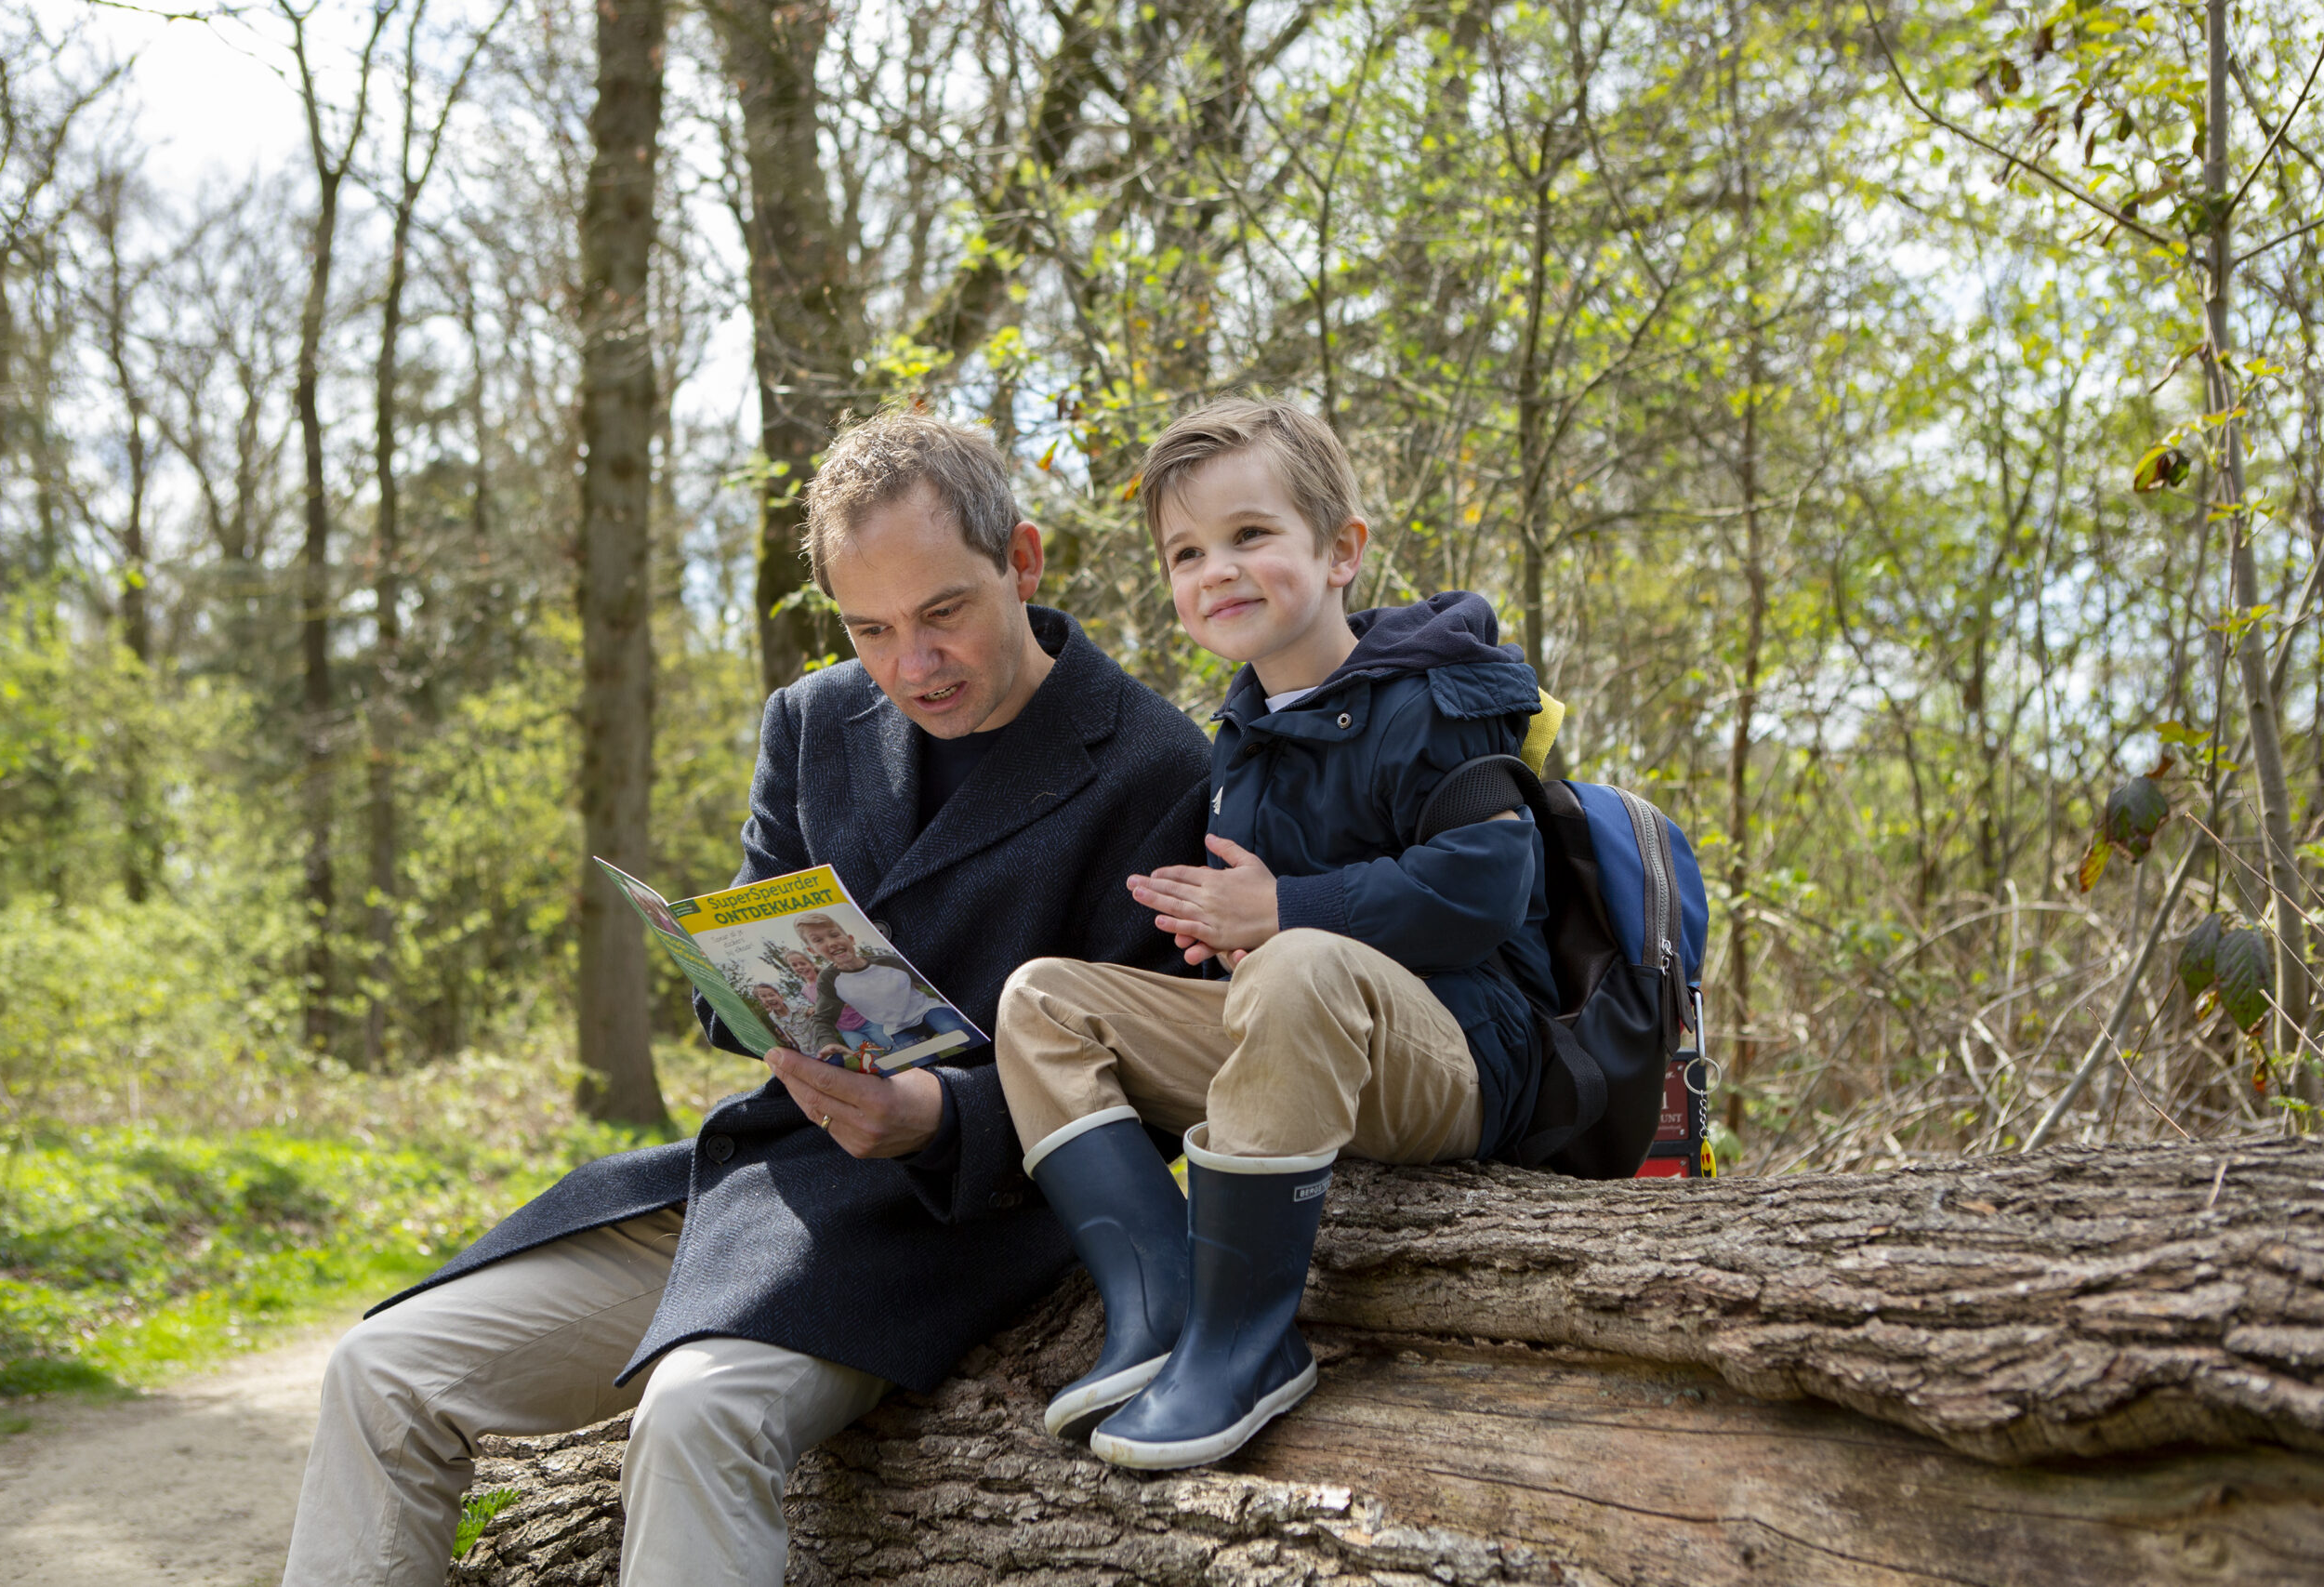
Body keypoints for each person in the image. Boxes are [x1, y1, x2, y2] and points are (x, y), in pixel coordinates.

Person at [283, 411, 1211, 1586]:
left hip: (961, 1230)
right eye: (870, 628)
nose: (911, 666)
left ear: (1021, 562)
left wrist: (942, 1118)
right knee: (381, 1369)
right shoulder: (813, 720)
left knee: (697, 1410)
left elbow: (1156, 1087)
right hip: (761, 1182)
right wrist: (740, 979)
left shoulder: (1157, 766)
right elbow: (741, 964)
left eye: (942, 614)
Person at [993, 397, 1558, 1470]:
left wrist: (1282, 915)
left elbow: (1486, 882)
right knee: (1042, 1000)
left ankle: (1245, 1346)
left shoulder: (1434, 695)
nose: (1217, 571)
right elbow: (1269, 943)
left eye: (1249, 535)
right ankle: (1160, 1304)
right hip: (1308, 1046)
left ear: (1341, 551)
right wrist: (1223, 937)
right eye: (1186, 553)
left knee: (1295, 963)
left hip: (1462, 1060)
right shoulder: (1241, 737)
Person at [793, 913, 972, 1057]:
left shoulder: (888, 962)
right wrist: (828, 1042)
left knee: (955, 1031)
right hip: (897, 1027)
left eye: (834, 935)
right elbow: (822, 1018)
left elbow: (931, 978)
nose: (831, 943)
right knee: (922, 1062)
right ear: (812, 951)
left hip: (926, 1010)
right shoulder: (828, 979)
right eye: (818, 940)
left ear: (851, 939)